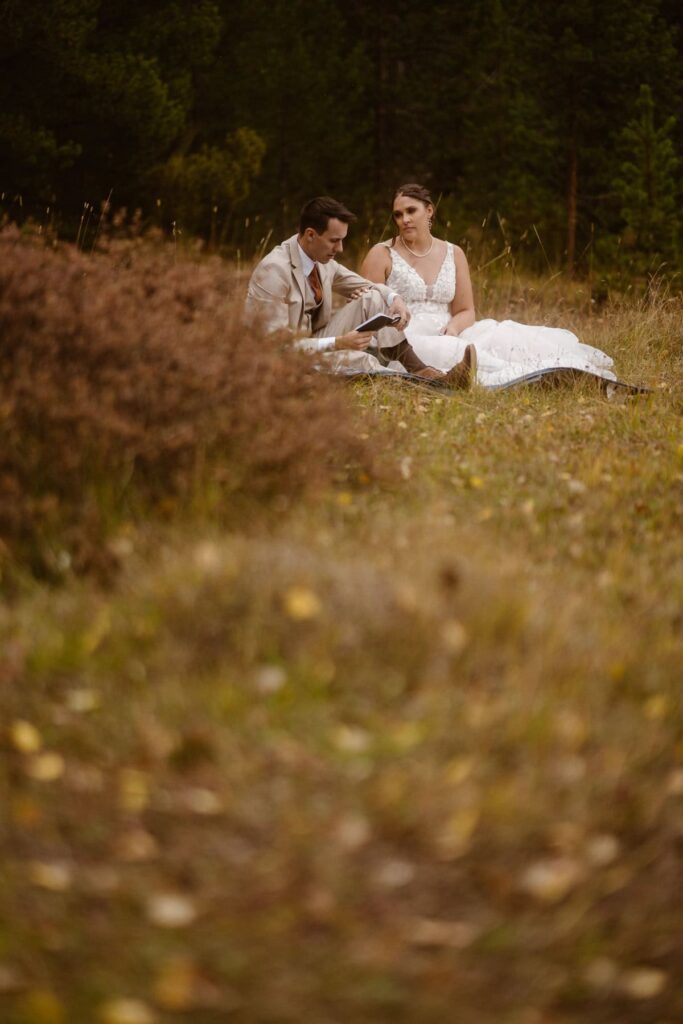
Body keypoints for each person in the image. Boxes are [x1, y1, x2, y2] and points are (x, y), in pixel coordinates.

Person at [361, 184, 616, 388]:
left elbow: (466, 310)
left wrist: (454, 326)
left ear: (429, 211)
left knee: (505, 335)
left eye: (410, 211)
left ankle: (567, 369)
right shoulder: (382, 253)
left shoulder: (454, 253)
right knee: (462, 353)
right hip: (408, 337)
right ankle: (534, 378)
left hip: (449, 329)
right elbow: (368, 309)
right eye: (398, 214)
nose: (404, 219)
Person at [246, 195, 477, 388]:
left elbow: (366, 285)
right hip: (284, 359)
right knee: (362, 360)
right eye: (334, 241)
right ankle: (425, 386)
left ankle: (424, 372)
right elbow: (276, 348)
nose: (341, 248)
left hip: (316, 340)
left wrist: (394, 298)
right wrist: (339, 342)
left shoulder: (320, 259)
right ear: (310, 235)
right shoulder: (274, 271)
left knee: (375, 296)